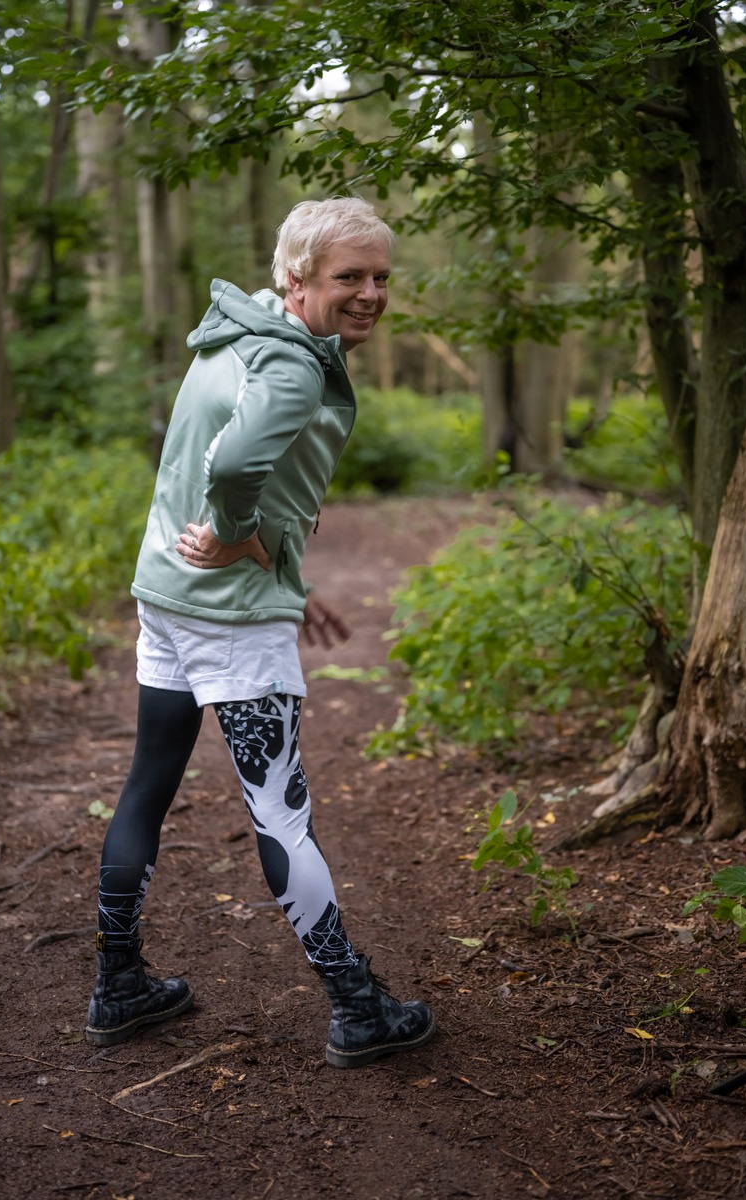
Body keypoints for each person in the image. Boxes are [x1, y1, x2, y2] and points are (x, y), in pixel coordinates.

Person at [84, 197, 436, 1069]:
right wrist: (246, 540)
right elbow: (236, 465)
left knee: (146, 786)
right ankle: (356, 1005)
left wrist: (279, 565)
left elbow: (214, 455)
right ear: (297, 277)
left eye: (381, 277)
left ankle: (118, 982)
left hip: (166, 596)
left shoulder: (236, 330)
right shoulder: (293, 366)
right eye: (348, 277)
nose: (370, 295)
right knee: (280, 811)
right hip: (227, 616)